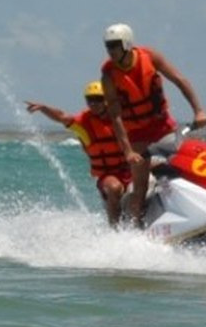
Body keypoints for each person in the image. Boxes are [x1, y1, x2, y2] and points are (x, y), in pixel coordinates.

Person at [100, 22, 206, 226]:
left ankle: (204, 206)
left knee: (188, 161)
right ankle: (135, 229)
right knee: (140, 185)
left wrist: (198, 110)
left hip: (163, 127)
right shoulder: (108, 75)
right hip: (137, 135)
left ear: (126, 44)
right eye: (108, 46)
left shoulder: (150, 57)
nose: (111, 51)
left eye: (115, 45)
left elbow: (179, 80)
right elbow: (115, 117)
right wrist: (127, 152)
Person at [25, 81, 131, 227]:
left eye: (98, 98)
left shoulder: (120, 117)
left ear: (106, 99)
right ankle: (115, 230)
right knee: (114, 188)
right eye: (90, 99)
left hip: (130, 169)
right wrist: (43, 108)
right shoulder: (83, 123)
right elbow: (62, 116)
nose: (94, 103)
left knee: (161, 166)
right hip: (108, 175)